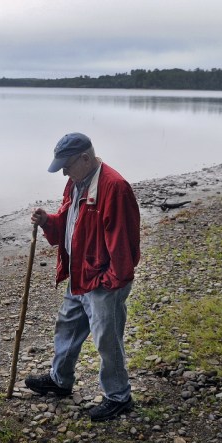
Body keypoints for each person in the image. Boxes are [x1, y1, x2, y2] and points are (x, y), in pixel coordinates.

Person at [26, 132, 141, 422]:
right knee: (67, 326)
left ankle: (118, 396)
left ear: (86, 159)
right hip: (81, 274)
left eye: (67, 165)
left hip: (103, 281)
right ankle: (60, 380)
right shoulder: (76, 182)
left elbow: (124, 244)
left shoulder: (114, 187)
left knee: (107, 338)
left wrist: (110, 283)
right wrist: (47, 221)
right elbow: (70, 221)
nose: (63, 171)